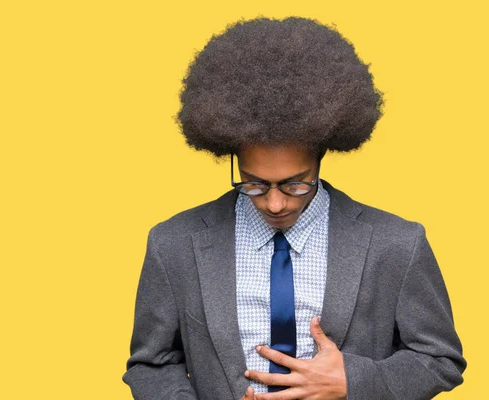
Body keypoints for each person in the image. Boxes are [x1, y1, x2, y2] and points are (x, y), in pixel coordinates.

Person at [123, 16, 466, 400]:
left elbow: (439, 359)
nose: (274, 203)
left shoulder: (398, 244)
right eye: (253, 183)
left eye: (294, 183)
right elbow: (150, 365)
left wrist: (352, 381)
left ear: (322, 156)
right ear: (231, 157)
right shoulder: (174, 244)